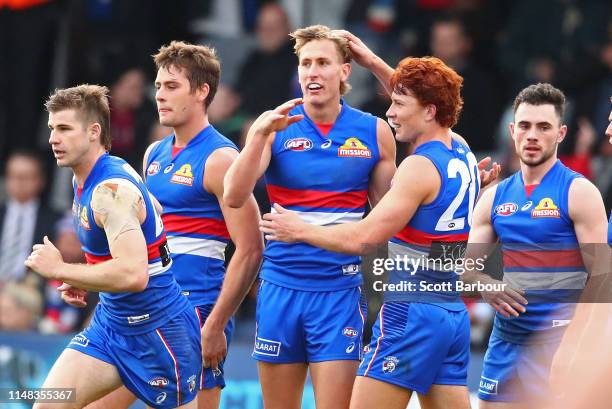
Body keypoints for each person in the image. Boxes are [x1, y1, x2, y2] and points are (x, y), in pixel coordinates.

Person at [259, 32, 487, 408]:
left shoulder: (418, 166)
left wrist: (298, 229)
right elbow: (425, 99)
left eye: (398, 104)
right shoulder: (461, 152)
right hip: (450, 313)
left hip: (411, 311)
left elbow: (365, 239)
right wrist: (378, 65)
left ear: (429, 110)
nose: (390, 112)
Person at [224, 25, 397, 409]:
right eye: (305, 63)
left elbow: (388, 220)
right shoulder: (276, 126)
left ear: (345, 71)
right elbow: (234, 195)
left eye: (323, 63)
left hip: (339, 292)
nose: (312, 72)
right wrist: (257, 136)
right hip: (281, 288)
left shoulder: (374, 131)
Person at [26, 84, 201, 409]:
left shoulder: (110, 190)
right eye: (52, 128)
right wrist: (85, 277)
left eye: (64, 128)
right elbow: (152, 212)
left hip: (160, 331)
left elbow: (135, 275)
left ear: (94, 132)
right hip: (111, 325)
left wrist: (61, 269)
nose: (53, 138)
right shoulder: (87, 175)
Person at [462, 83, 608, 407]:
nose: (532, 135)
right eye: (525, 126)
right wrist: (486, 284)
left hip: (558, 343)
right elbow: (467, 273)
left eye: (544, 127)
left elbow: (603, 279)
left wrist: (574, 347)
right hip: (505, 341)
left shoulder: (579, 193)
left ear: (561, 133)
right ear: (512, 131)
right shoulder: (494, 197)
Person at [143, 40, 264, 409]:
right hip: (149, 304)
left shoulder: (221, 158)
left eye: (172, 86)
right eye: (159, 86)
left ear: (201, 92)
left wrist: (215, 323)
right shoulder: (153, 154)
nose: (160, 95)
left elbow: (251, 248)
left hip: (196, 310)